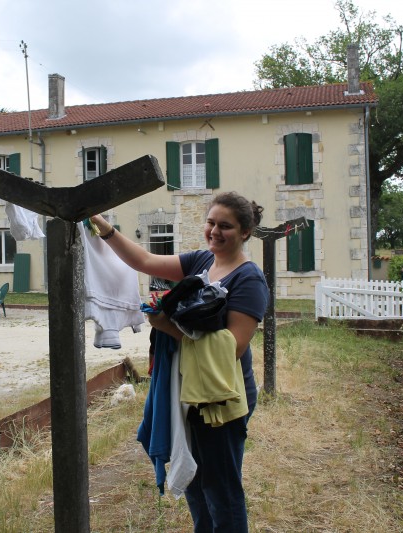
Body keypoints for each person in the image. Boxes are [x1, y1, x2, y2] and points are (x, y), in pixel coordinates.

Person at [91, 191, 269, 532]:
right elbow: (143, 260)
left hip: (221, 398)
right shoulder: (202, 262)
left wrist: (168, 327)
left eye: (226, 226)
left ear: (245, 232)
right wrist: (105, 228)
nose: (215, 231)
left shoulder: (249, 280)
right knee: (196, 482)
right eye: (211, 222)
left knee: (221, 488)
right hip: (188, 390)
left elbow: (230, 347)